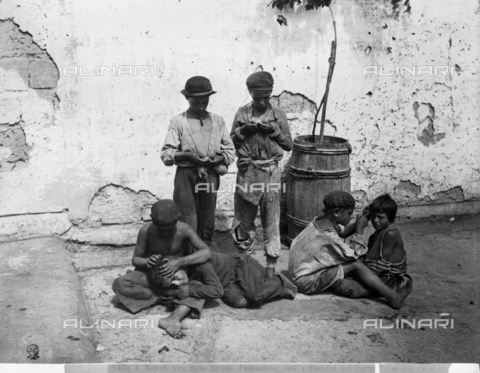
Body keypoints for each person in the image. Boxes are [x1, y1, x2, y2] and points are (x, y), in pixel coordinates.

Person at [288, 191, 412, 309]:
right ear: (336, 212)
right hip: (305, 282)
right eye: (349, 213)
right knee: (356, 264)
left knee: (348, 267)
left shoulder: (320, 222)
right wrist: (359, 228)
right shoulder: (328, 236)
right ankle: (392, 296)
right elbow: (353, 254)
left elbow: (343, 233)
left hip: (298, 274)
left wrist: (363, 219)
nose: (351, 216)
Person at [112, 199, 212, 338]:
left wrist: (179, 262)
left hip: (176, 280)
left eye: (169, 229)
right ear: (152, 219)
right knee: (120, 284)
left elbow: (206, 252)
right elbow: (135, 260)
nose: (165, 233)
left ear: (177, 218)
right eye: (161, 229)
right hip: (152, 277)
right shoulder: (146, 230)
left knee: (199, 290)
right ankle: (171, 300)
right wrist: (148, 261)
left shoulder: (184, 229)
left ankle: (172, 317)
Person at [230, 71, 293, 277]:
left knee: (271, 218)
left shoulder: (279, 115)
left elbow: (288, 145)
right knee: (243, 218)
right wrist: (246, 130)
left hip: (271, 172)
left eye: (266, 97)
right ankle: (243, 262)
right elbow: (233, 141)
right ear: (250, 93)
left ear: (271, 94)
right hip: (247, 171)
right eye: (258, 98)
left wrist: (274, 132)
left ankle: (271, 266)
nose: (262, 101)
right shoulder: (242, 113)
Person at [161, 76, 235, 246]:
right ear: (187, 98)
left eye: (205, 101)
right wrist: (187, 156)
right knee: (187, 219)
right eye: (196, 102)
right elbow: (166, 154)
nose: (201, 105)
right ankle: (188, 259)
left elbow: (230, 150)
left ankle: (204, 258)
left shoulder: (218, 121)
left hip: (209, 175)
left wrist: (220, 158)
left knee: (207, 218)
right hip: (186, 176)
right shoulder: (178, 121)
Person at [160, 251, 297, 309]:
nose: (177, 283)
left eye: (174, 278)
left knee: (254, 295)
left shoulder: (201, 264)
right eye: (173, 284)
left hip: (240, 266)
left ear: (176, 265)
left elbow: (216, 291)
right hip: (226, 282)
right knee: (239, 302)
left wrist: (190, 289)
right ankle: (259, 286)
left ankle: (280, 282)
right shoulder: (186, 275)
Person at [337, 194, 413, 298]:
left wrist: (356, 272)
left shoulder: (391, 233)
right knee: (342, 270)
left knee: (346, 286)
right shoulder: (376, 234)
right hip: (378, 272)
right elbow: (369, 260)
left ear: (391, 219)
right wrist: (364, 217)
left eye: (380, 217)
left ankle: (389, 293)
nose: (375, 220)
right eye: (373, 216)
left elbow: (377, 267)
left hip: (389, 278)